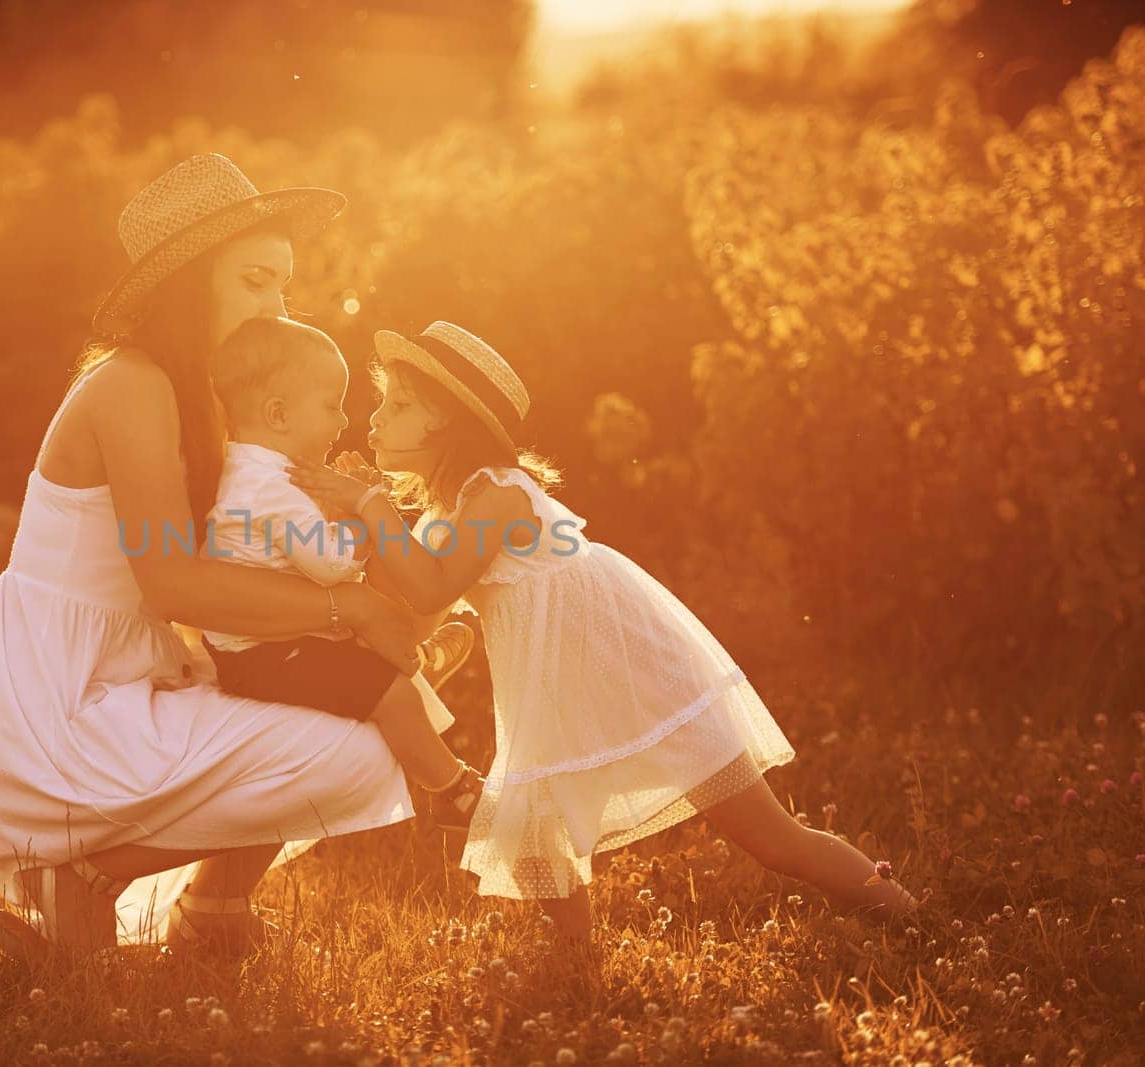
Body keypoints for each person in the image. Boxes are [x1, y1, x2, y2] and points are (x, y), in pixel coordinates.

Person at [284, 320, 920, 951]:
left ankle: (908, 915)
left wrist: (370, 507)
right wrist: (359, 529)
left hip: (642, 672)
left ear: (445, 424)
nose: (373, 420)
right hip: (564, 687)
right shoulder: (443, 514)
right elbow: (418, 619)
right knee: (532, 833)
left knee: (774, 841)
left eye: (397, 405)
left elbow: (429, 589)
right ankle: (576, 961)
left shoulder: (501, 494)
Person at [0, 154, 443, 965]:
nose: (276, 307)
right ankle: (75, 875)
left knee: (381, 699)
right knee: (360, 741)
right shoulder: (132, 384)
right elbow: (172, 579)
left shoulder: (215, 399)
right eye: (255, 280)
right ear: (187, 285)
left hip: (136, 675)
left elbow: (257, 558)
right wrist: (350, 609)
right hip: (62, 703)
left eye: (284, 286)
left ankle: (213, 907)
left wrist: (356, 517)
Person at [198, 316, 485, 831]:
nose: (341, 421)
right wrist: (362, 519)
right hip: (264, 655)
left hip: (267, 639)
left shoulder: (258, 473)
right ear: (279, 414)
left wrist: (341, 506)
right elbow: (330, 564)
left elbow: (302, 545)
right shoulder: (269, 488)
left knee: (369, 646)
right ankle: (451, 788)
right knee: (386, 691)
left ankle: (418, 659)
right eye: (331, 405)